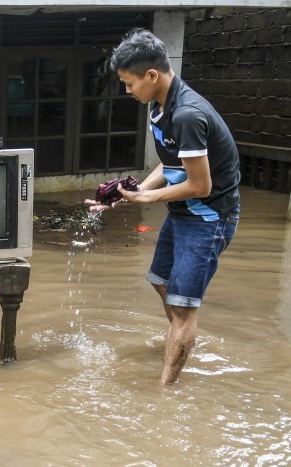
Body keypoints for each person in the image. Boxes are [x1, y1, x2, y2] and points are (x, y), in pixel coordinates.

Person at [86, 28, 240, 384]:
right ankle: (183, 336)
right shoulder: (159, 106)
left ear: (152, 75)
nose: (127, 91)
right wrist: (134, 191)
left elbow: (201, 185)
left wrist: (147, 198)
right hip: (182, 211)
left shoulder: (187, 114)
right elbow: (170, 165)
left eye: (129, 83)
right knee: (160, 281)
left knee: (184, 306)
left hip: (208, 217)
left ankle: (165, 392)